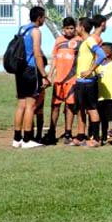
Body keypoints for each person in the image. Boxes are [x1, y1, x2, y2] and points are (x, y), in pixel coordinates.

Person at [12, 6, 49, 149]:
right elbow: (37, 53)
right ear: (39, 17)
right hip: (31, 70)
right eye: (44, 17)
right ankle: (27, 140)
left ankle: (17, 139)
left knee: (21, 104)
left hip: (20, 70)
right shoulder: (36, 31)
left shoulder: (22, 29)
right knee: (31, 105)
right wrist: (44, 75)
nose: (44, 19)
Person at [70, 16, 106, 148]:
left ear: (82, 28)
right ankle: (81, 136)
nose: (76, 28)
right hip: (80, 82)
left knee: (91, 109)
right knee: (80, 110)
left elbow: (101, 55)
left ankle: (96, 138)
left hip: (88, 82)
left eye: (77, 26)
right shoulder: (83, 42)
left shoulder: (90, 40)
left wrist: (90, 70)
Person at [44, 17, 79, 146]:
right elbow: (55, 59)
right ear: (63, 29)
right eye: (67, 28)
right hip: (59, 80)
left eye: (72, 28)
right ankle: (52, 132)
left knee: (69, 106)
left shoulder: (79, 42)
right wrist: (50, 74)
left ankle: (68, 133)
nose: (69, 31)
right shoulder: (58, 41)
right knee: (55, 106)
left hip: (72, 80)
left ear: (75, 28)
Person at [96, 42, 112, 146]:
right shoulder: (98, 66)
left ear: (107, 53)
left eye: (101, 51)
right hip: (101, 97)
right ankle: (103, 137)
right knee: (103, 119)